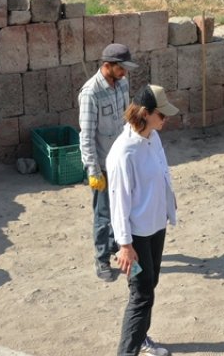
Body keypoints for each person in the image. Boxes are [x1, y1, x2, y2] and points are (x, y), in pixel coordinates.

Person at [109, 84, 180, 356]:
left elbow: (162, 170)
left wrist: (168, 198)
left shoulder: (153, 137)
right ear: (145, 113)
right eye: (161, 114)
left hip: (156, 228)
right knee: (141, 296)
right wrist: (125, 245)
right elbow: (118, 203)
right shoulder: (123, 153)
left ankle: (141, 339)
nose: (166, 118)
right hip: (136, 237)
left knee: (150, 285)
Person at [79, 43, 138, 282]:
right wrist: (93, 170)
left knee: (123, 208)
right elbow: (86, 135)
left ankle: (117, 245)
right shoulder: (90, 93)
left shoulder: (122, 84)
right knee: (103, 215)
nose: (125, 72)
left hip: (121, 161)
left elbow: (127, 118)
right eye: (121, 68)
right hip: (102, 165)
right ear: (107, 66)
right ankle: (102, 259)